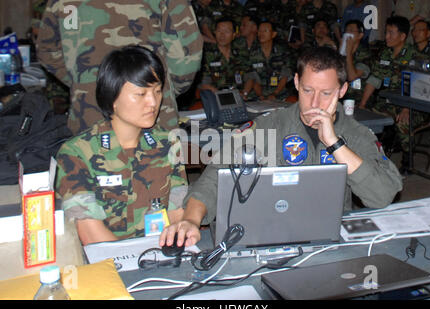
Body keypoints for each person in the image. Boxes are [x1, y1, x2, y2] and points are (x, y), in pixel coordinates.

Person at [160, 46, 403, 247]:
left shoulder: (356, 135)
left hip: (330, 240)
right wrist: (192, 219)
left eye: (326, 93)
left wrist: (334, 143)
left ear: (342, 90)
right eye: (308, 90)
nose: (315, 103)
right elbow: (215, 175)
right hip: (271, 236)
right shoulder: (271, 126)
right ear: (296, 82)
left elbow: (383, 195)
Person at [56, 46, 188, 245]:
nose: (153, 102)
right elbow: (89, 231)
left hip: (160, 255)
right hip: (106, 265)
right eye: (141, 94)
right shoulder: (77, 153)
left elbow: (177, 212)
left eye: (158, 91)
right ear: (113, 97)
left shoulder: (168, 143)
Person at [37, 0, 203, 135]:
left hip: (89, 109)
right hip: (150, 111)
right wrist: (163, 90)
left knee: (91, 170)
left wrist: (88, 83)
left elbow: (48, 51)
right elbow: (187, 53)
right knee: (157, 172)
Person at [359, 16, 422, 169]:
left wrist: (407, 108)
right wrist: (362, 104)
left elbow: (418, 86)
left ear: (402, 36)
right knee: (366, 119)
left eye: (391, 33)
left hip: (413, 105)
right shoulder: (385, 54)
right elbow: (375, 79)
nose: (386, 36)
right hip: (388, 102)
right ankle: (374, 154)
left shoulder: (415, 56)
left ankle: (408, 158)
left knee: (403, 122)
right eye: (386, 32)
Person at [199, 18, 254, 95]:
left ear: (234, 35)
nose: (222, 35)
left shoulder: (240, 53)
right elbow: (204, 83)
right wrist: (224, 96)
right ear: (214, 32)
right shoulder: (206, 55)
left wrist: (244, 93)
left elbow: (250, 76)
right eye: (219, 31)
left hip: (240, 96)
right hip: (215, 97)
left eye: (227, 31)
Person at [249, 21, 292, 101]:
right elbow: (252, 77)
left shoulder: (282, 52)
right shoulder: (252, 53)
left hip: (279, 95)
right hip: (257, 96)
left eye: (265, 31)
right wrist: (260, 95)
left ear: (273, 34)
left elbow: (285, 75)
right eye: (259, 31)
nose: (261, 33)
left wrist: (275, 93)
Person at [342, 20, 372, 103]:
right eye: (346, 31)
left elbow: (352, 77)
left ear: (360, 35)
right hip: (341, 96)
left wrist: (348, 52)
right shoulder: (342, 51)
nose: (347, 34)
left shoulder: (365, 53)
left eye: (351, 31)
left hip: (357, 98)